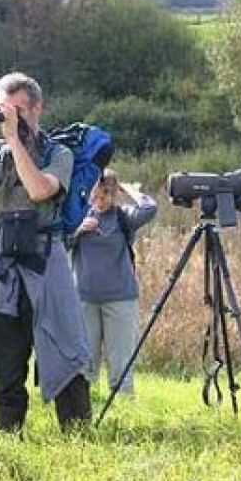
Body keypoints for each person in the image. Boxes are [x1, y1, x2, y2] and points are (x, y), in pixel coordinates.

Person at [0, 72, 91, 432]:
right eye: (7, 109)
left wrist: (15, 139)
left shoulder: (59, 153)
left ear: (38, 108)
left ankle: (77, 436)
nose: (14, 117)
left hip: (46, 260)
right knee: (7, 358)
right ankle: (8, 434)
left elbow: (40, 190)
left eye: (20, 110)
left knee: (65, 348)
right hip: (5, 268)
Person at [70, 169, 157, 396]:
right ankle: (83, 409)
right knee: (85, 364)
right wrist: (77, 231)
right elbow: (58, 245)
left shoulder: (123, 216)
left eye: (106, 195)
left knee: (121, 363)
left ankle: (124, 410)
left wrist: (130, 190)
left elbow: (149, 208)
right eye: (95, 196)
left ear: (114, 194)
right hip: (84, 299)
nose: (99, 201)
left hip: (120, 300)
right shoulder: (78, 216)